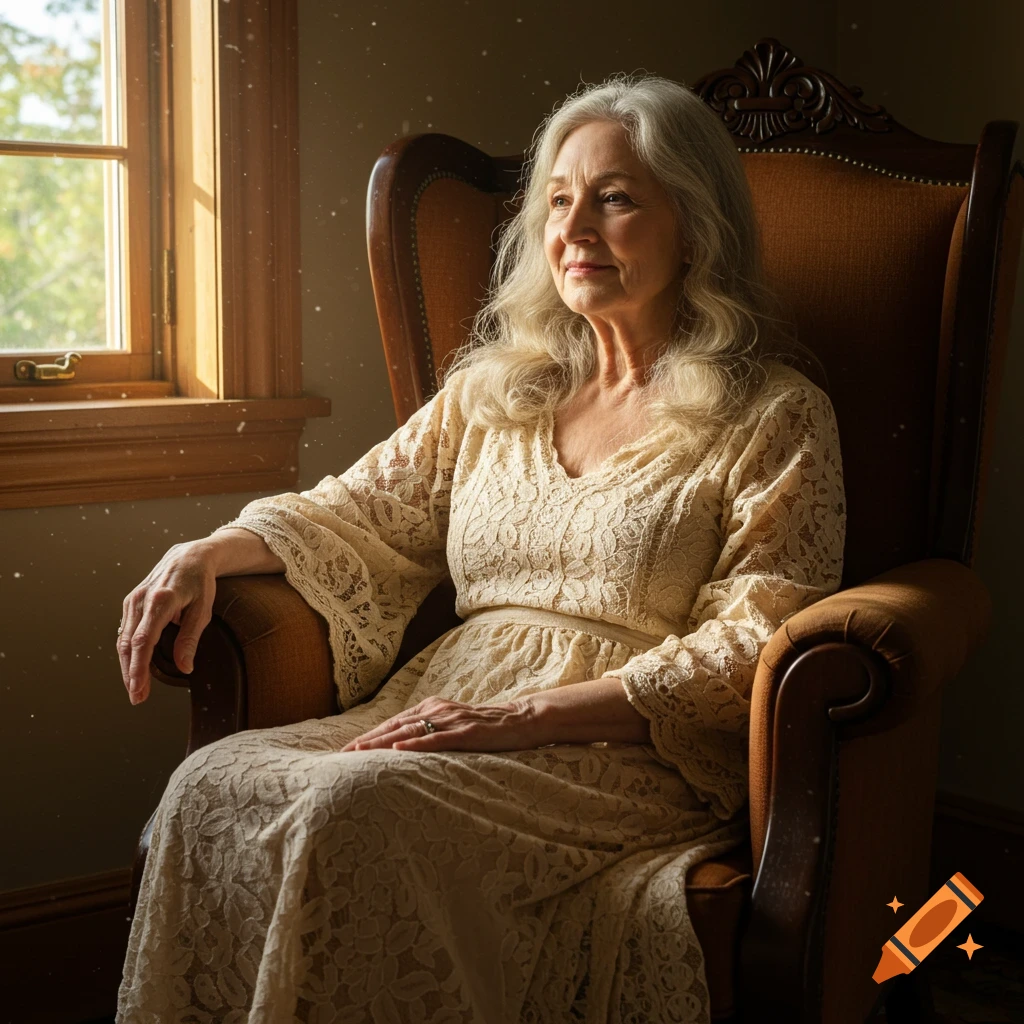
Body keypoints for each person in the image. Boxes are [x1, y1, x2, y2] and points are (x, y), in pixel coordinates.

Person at [116, 73, 845, 1024]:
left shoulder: (775, 413)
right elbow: (358, 511)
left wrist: (526, 715)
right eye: (558, 200)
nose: (575, 229)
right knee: (209, 784)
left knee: (356, 812)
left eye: (616, 199)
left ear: (696, 226)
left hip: (627, 745)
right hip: (446, 702)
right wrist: (208, 550)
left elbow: (757, 639)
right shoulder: (498, 392)